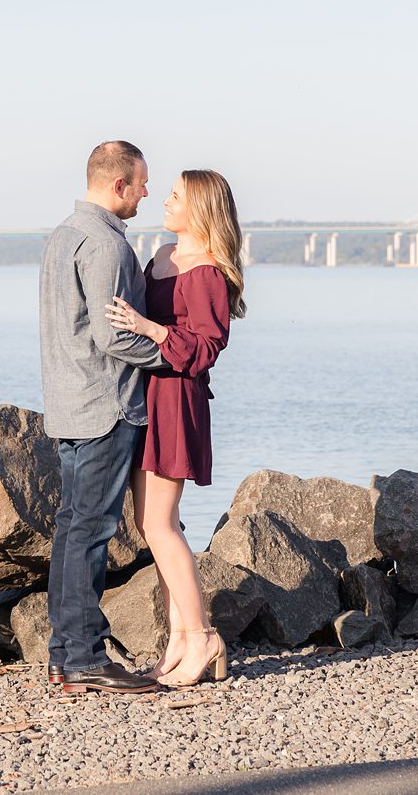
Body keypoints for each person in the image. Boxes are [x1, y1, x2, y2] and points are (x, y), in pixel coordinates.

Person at [39, 140, 172, 695]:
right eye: (141, 183)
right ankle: (85, 659)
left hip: (68, 406)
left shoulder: (64, 236)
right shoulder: (106, 247)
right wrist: (175, 353)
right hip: (105, 407)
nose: (146, 192)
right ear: (118, 184)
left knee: (73, 530)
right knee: (90, 532)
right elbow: (113, 336)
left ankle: (66, 655)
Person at [106, 169, 246, 687]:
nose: (163, 201)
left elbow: (206, 348)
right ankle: (179, 642)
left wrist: (149, 328)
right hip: (146, 396)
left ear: (201, 209)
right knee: (156, 525)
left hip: (175, 401)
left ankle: (203, 637)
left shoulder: (207, 270)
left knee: (159, 525)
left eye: (175, 197)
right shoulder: (161, 259)